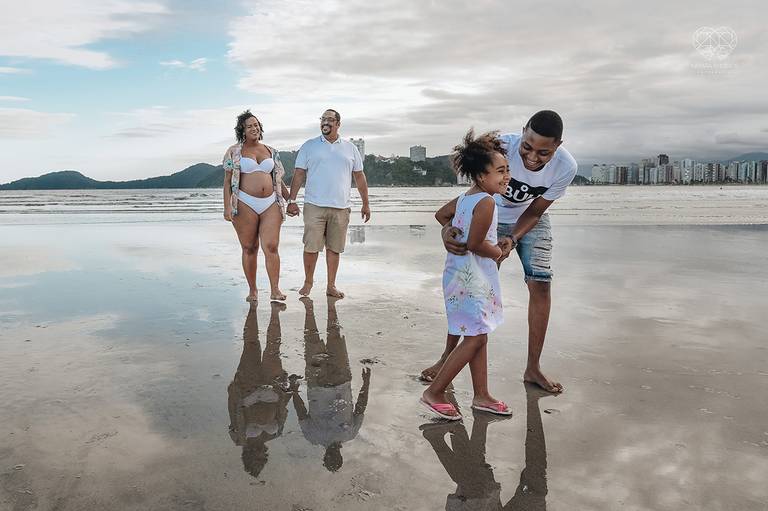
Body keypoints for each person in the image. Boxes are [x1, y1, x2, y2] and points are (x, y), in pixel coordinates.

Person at [422, 111, 576, 394]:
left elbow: (536, 211)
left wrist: (513, 239)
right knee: (472, 291)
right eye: (527, 147)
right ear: (522, 131)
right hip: (488, 213)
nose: (532, 157)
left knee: (541, 284)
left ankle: (533, 368)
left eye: (544, 153)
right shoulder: (501, 146)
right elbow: (472, 191)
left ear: (558, 145)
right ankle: (447, 358)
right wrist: (448, 229)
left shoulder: (566, 167)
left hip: (530, 220)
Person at [420, 130, 514, 421]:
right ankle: (434, 392)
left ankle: (482, 395)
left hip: (460, 277)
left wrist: (449, 230)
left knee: (479, 336)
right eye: (500, 171)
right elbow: (475, 244)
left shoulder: (466, 198)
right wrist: (499, 251)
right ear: (481, 176)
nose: (507, 176)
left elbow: (441, 215)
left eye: (507, 169)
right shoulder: (486, 202)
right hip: (471, 280)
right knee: (473, 339)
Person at [286, 109, 371, 299]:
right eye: (323, 119)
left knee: (334, 248)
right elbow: (299, 174)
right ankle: (308, 283)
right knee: (311, 247)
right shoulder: (309, 146)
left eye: (330, 119)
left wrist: (366, 203)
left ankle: (331, 286)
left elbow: (359, 177)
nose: (325, 122)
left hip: (341, 206)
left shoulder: (350, 148)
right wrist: (292, 200)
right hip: (314, 205)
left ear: (338, 124)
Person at [291, 296, 371, 471]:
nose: (332, 455)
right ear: (340, 456)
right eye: (336, 457)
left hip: (317, 383)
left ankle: (309, 308)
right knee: (334, 335)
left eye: (330, 458)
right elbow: (360, 408)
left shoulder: (313, 437)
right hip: (341, 379)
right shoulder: (350, 434)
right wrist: (366, 383)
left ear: (325, 457)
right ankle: (330, 306)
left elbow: (301, 413)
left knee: (311, 339)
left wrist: (294, 392)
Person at [223, 110, 289, 302]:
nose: (254, 128)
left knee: (271, 246)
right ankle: (253, 290)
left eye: (256, 125)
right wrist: (227, 207)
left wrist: (290, 201)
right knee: (249, 247)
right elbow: (227, 181)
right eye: (249, 126)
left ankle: (275, 290)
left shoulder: (271, 151)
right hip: (244, 203)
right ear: (242, 130)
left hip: (271, 203)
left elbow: (278, 179)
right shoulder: (234, 151)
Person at [227, 302, 293, 479]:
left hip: (247, 386)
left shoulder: (238, 438)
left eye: (255, 459)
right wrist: (287, 391)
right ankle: (275, 313)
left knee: (250, 344)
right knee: (273, 348)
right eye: (262, 459)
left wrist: (233, 391)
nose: (260, 455)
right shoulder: (275, 435)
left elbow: (233, 411)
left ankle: (253, 308)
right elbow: (282, 411)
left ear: (247, 457)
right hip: (273, 386)